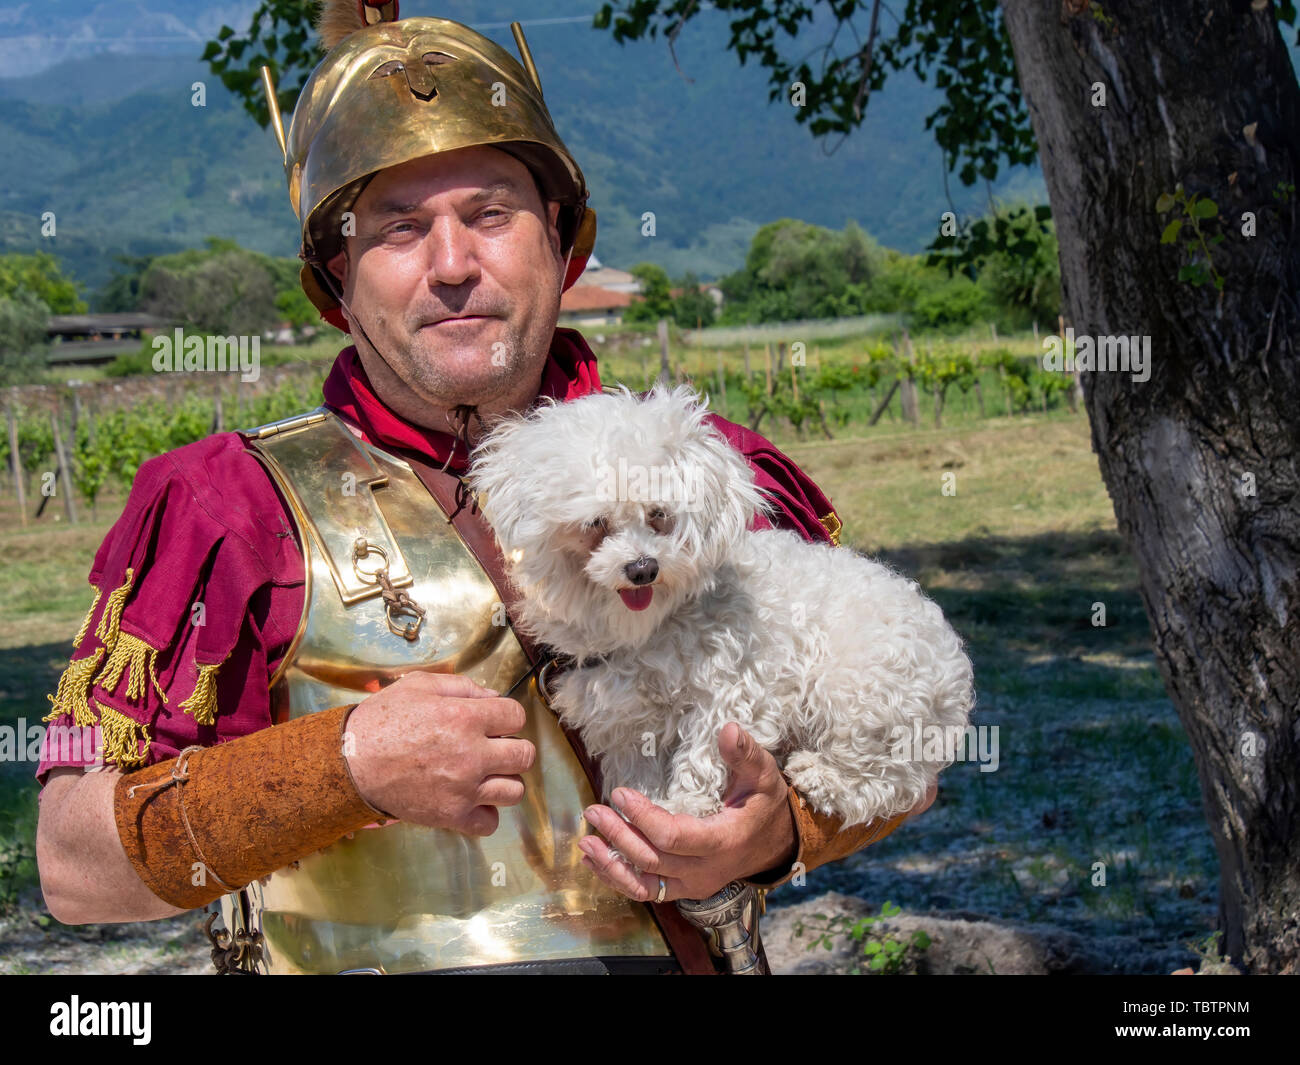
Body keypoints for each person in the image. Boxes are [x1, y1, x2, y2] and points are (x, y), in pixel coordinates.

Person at [34, 5, 934, 975]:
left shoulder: (713, 474)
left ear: (562, 242)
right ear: (338, 280)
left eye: (491, 214)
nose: (454, 264)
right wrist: (341, 768)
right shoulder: (222, 507)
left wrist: (776, 833)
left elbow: (906, 754)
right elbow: (72, 867)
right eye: (400, 229)